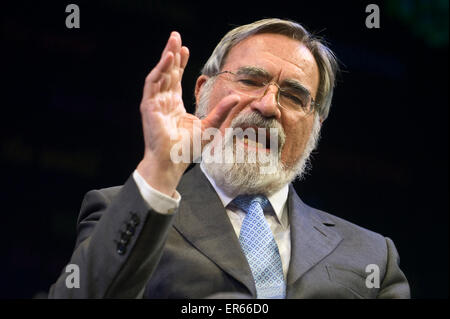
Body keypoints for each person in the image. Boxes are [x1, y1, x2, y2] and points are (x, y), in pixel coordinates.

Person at [48, 18, 410, 299]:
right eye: (252, 80)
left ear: (316, 124)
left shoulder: (373, 254)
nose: (268, 106)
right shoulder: (127, 211)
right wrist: (163, 166)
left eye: (294, 96)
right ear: (202, 90)